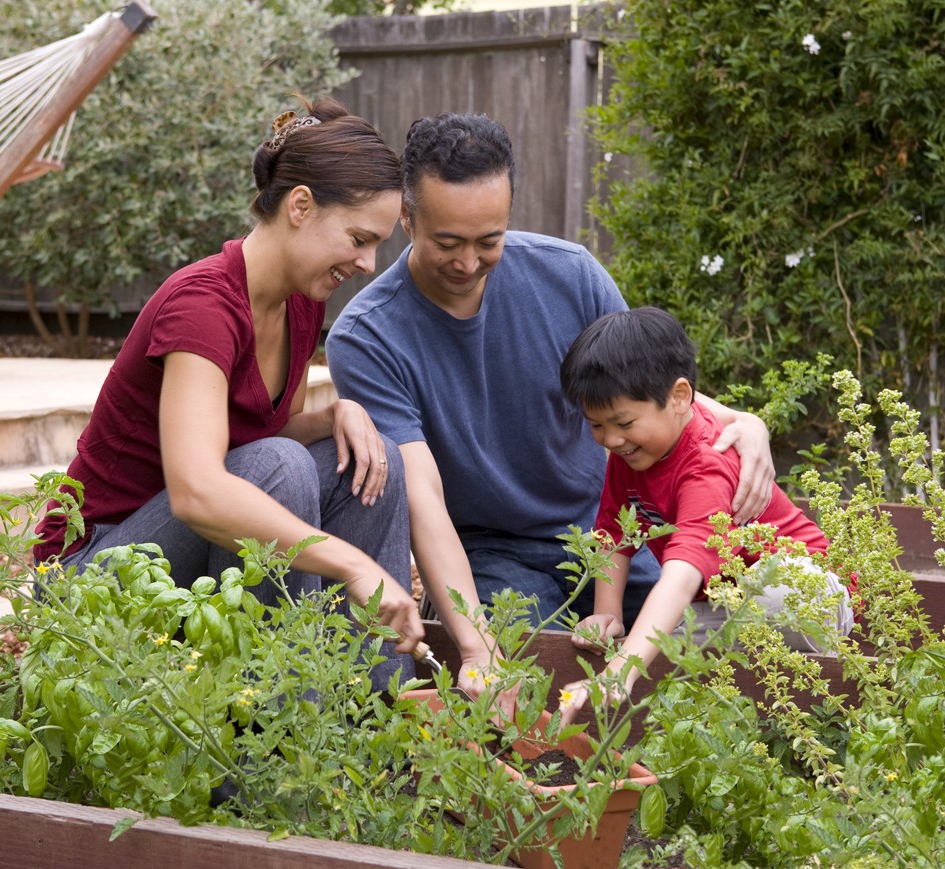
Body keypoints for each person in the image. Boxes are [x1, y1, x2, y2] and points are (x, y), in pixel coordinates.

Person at [325, 112, 775, 704]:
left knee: (710, 659)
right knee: (533, 675)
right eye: (447, 243)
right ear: (407, 218)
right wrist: (478, 645)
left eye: (489, 242)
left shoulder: (570, 275)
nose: (467, 263)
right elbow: (422, 495)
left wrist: (745, 422)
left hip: (614, 536)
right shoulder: (368, 336)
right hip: (493, 555)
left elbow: (650, 390)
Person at [33, 97, 424, 679]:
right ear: (300, 206)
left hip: (177, 554)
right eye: (359, 238)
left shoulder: (297, 304)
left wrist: (334, 415)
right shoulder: (203, 305)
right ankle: (269, 748)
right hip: (91, 576)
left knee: (372, 460)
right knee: (279, 469)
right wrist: (351, 564)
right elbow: (197, 489)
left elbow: (255, 427)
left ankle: (375, 720)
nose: (369, 264)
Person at [556, 307, 855, 723]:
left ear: (679, 397)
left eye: (622, 422)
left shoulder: (705, 462)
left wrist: (621, 669)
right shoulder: (635, 452)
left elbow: (680, 576)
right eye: (596, 426)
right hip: (725, 607)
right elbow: (613, 533)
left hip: (809, 596)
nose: (611, 439)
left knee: (745, 604)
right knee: (677, 629)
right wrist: (609, 613)